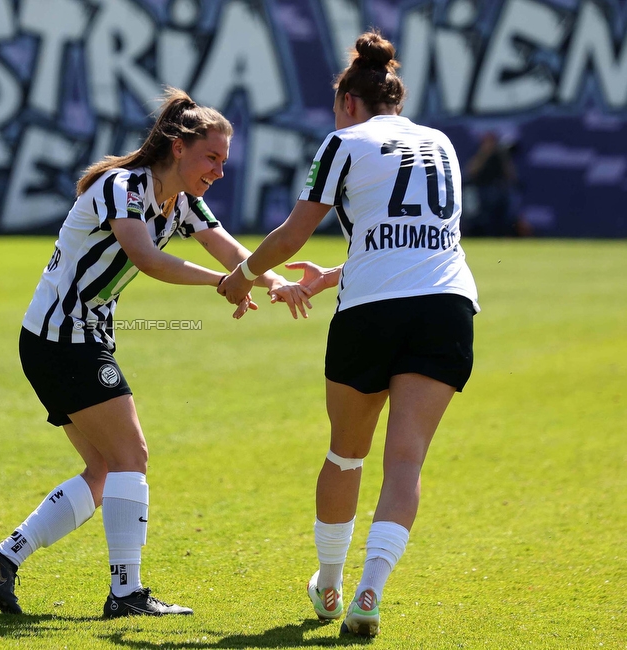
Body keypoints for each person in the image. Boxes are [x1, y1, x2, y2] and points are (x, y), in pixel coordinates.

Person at [0, 88, 302, 618]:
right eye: (210, 158)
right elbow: (146, 258)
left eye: (224, 160)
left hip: (74, 338)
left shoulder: (183, 202)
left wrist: (275, 282)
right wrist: (228, 283)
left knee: (104, 470)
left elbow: (232, 250)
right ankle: (125, 594)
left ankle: (5, 557)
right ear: (177, 147)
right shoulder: (121, 188)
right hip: (63, 339)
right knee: (132, 458)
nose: (219, 170)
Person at [219, 31, 479, 637]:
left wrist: (244, 274)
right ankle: (372, 591)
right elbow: (419, 242)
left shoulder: (342, 143)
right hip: (446, 308)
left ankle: (331, 585)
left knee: (345, 454)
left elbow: (291, 234)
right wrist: (332, 275)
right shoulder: (440, 142)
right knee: (405, 463)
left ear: (347, 102)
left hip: (370, 316)